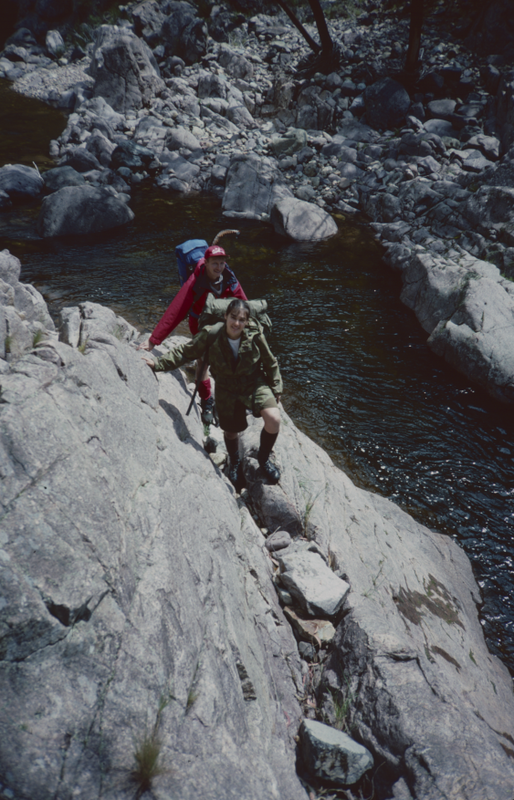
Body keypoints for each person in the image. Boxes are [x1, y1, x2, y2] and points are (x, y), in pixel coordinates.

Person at [141, 298, 282, 485]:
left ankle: (263, 459)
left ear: (247, 322)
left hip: (253, 382)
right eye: (233, 317)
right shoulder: (212, 334)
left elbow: (270, 362)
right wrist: (158, 363)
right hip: (225, 386)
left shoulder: (255, 335)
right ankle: (234, 462)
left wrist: (276, 386)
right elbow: (185, 352)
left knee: (274, 418)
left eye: (242, 319)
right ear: (225, 317)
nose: (237, 323)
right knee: (231, 432)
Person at [137, 244, 247, 425]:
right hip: (200, 324)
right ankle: (206, 402)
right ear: (206, 262)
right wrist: (153, 340)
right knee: (203, 361)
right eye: (215, 263)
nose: (219, 268)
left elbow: (244, 305)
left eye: (222, 263)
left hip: (225, 324)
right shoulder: (196, 281)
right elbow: (176, 311)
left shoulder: (230, 278)